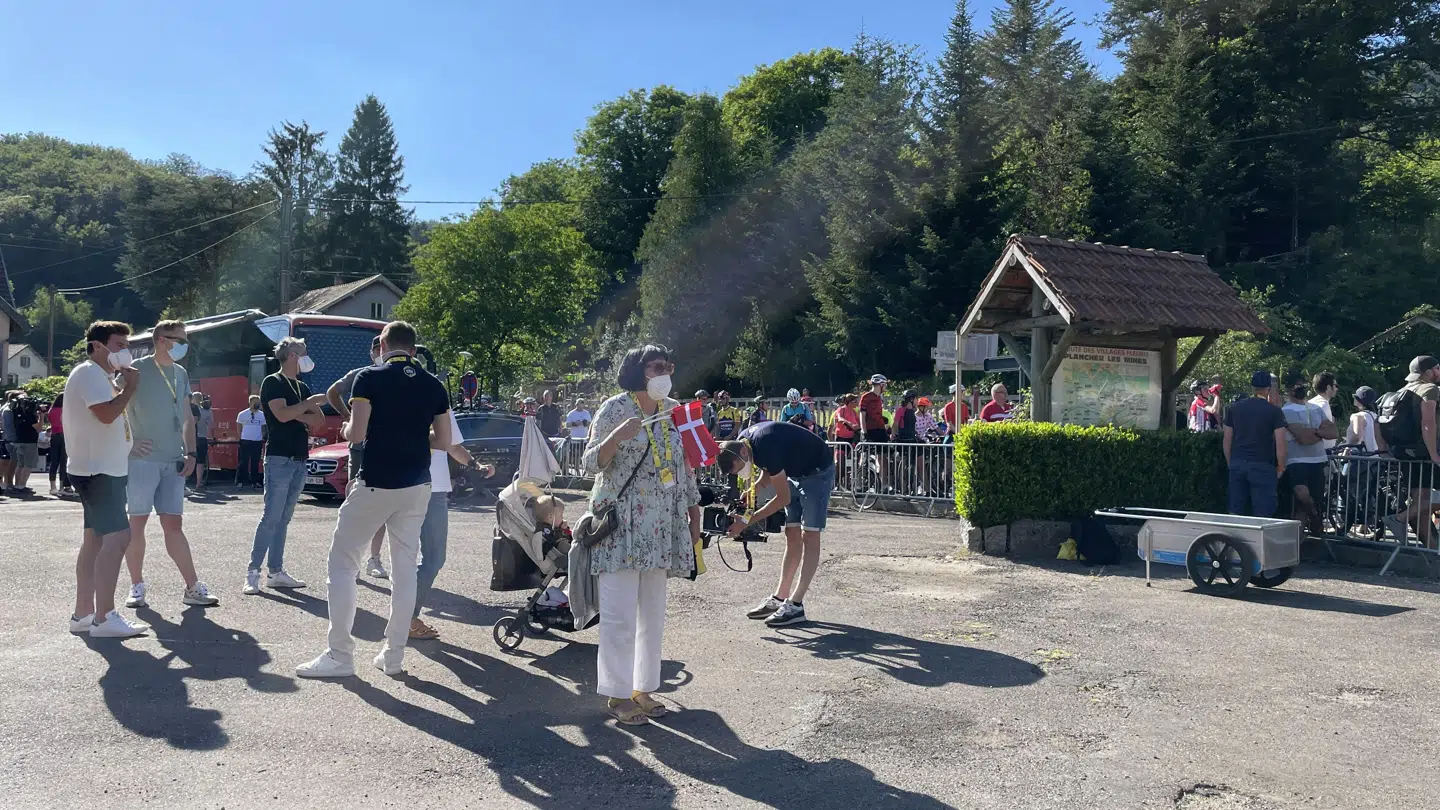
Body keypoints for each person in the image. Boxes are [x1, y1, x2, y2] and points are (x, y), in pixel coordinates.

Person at [296, 321, 451, 678]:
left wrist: (350, 426)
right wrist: (412, 435)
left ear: (382, 345)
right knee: (405, 570)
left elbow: (358, 433)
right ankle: (393, 656)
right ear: (413, 348)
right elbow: (442, 440)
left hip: (377, 482)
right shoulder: (433, 385)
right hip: (417, 487)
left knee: (343, 564)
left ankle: (340, 655)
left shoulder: (368, 377)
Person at [580, 344, 700, 725]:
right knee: (618, 616)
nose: (662, 373)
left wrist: (693, 518)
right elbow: (588, 464)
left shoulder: (673, 411)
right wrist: (615, 435)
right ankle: (617, 695)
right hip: (621, 525)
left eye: (667, 366)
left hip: (661, 526)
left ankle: (643, 687)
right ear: (637, 371)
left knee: (653, 614)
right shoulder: (614, 408)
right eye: (654, 367)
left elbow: (684, 468)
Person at [120, 319, 220, 610]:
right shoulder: (135, 371)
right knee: (136, 525)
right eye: (180, 339)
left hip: (174, 460)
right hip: (142, 460)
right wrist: (128, 444)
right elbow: (113, 410)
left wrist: (191, 454)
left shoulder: (180, 372)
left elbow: (187, 416)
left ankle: (192, 587)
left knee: (173, 525)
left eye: (185, 339)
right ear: (161, 339)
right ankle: (136, 586)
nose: (184, 345)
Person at [65, 320, 149, 637]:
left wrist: (129, 444)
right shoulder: (89, 373)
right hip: (99, 472)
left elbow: (107, 420)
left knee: (95, 541)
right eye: (118, 345)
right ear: (98, 345)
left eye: (126, 345)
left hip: (100, 468)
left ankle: (84, 614)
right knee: (118, 538)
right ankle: (104, 617)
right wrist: (131, 387)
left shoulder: (100, 376)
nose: (124, 351)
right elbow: (106, 414)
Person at [718, 419, 836, 627]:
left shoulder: (765, 444)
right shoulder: (745, 441)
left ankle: (796, 603)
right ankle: (780, 597)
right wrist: (753, 489)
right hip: (795, 472)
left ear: (743, 454)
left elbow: (783, 499)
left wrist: (745, 522)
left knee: (809, 535)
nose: (739, 473)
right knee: (792, 534)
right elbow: (768, 468)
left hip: (817, 471)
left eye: (738, 469)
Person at [245, 337, 327, 595]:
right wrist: (305, 407)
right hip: (279, 458)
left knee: (284, 518)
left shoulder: (301, 386)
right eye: (303, 352)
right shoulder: (273, 382)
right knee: (271, 517)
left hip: (300, 458)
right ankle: (252, 573)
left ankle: (276, 571)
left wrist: (298, 412)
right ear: (292, 355)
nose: (307, 357)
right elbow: (280, 415)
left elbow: (319, 421)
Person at [411, 405, 493, 640]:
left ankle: (406, 618)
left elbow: (453, 446)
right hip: (403, 486)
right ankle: (406, 619)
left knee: (434, 558)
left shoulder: (439, 405)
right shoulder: (394, 396)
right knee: (411, 558)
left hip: (434, 491)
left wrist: (475, 465)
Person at [327, 335, 388, 580]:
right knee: (354, 502)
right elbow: (333, 392)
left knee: (382, 505)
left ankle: (374, 558)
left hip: (384, 447)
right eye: (376, 349)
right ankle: (351, 559)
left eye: (382, 347)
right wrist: (347, 415)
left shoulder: (392, 375)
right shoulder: (359, 374)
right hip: (361, 446)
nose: (379, 352)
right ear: (372, 352)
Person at [1380, 356, 1440, 547]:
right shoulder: (1429, 389)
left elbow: (1377, 421)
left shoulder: (1401, 391)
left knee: (1420, 500)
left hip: (1405, 453)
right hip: (1425, 453)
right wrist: (1433, 454)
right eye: (1437, 368)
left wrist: (1383, 451)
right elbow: (1428, 423)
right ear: (1428, 372)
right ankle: (1400, 518)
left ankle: (1430, 547)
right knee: (1422, 501)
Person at [1223, 371, 1290, 517]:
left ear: (1252, 387)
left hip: (1238, 462)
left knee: (1235, 509)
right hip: (1263, 465)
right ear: (1269, 388)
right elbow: (1281, 444)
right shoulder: (1274, 412)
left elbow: (1227, 440)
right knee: (1263, 513)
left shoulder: (1233, 409)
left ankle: (1233, 539)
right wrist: (1281, 467)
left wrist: (1231, 463)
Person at [1279, 371, 1336, 534]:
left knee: (1310, 501)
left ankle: (1301, 540)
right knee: (1302, 495)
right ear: (1289, 390)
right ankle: (1315, 517)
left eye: (1304, 385)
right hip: (1296, 461)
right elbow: (1303, 438)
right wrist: (1319, 433)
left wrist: (1313, 433)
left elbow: (1332, 432)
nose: (1301, 389)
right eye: (1298, 386)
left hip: (1318, 459)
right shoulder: (1286, 411)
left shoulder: (1316, 408)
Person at [7, 390, 41, 494]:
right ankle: (22, 485)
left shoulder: (15, 411)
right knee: (28, 464)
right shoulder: (29, 414)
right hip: (29, 441)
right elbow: (39, 428)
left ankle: (17, 485)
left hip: (19, 440)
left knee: (20, 464)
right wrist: (42, 416)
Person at [236, 395, 266, 489]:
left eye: (258, 402)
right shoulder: (242, 414)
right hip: (245, 441)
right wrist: (241, 437)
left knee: (255, 462)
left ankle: (255, 481)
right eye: (255, 402)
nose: (257, 404)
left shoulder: (261, 415)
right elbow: (239, 427)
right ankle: (240, 481)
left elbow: (263, 428)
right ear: (250, 403)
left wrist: (262, 437)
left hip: (257, 441)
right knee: (243, 462)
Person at [47, 393, 72, 496]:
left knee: (54, 461)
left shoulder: (51, 411)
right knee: (63, 461)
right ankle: (62, 486)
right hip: (64, 435)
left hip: (54, 435)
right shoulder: (66, 410)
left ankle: (53, 487)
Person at [1347, 386, 1384, 453]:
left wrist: (1347, 448)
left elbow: (1357, 436)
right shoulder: (1376, 416)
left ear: (1358, 400)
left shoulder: (1358, 416)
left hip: (1359, 458)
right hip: (1376, 457)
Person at [1309, 372, 1340, 452]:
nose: (1337, 389)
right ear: (1328, 387)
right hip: (1322, 452)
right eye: (1335, 386)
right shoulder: (1323, 405)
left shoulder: (1310, 402)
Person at [190, 392, 214, 491]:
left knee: (187, 458)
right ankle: (198, 483)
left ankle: (184, 483)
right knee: (200, 462)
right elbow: (212, 425)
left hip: (190, 438)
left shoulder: (188, 410)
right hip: (202, 438)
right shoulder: (207, 411)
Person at [858, 375, 888, 444]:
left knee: (888, 453)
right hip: (870, 430)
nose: (886, 386)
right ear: (881, 384)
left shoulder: (880, 398)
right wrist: (864, 432)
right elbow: (862, 416)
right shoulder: (866, 397)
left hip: (881, 429)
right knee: (869, 452)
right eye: (885, 384)